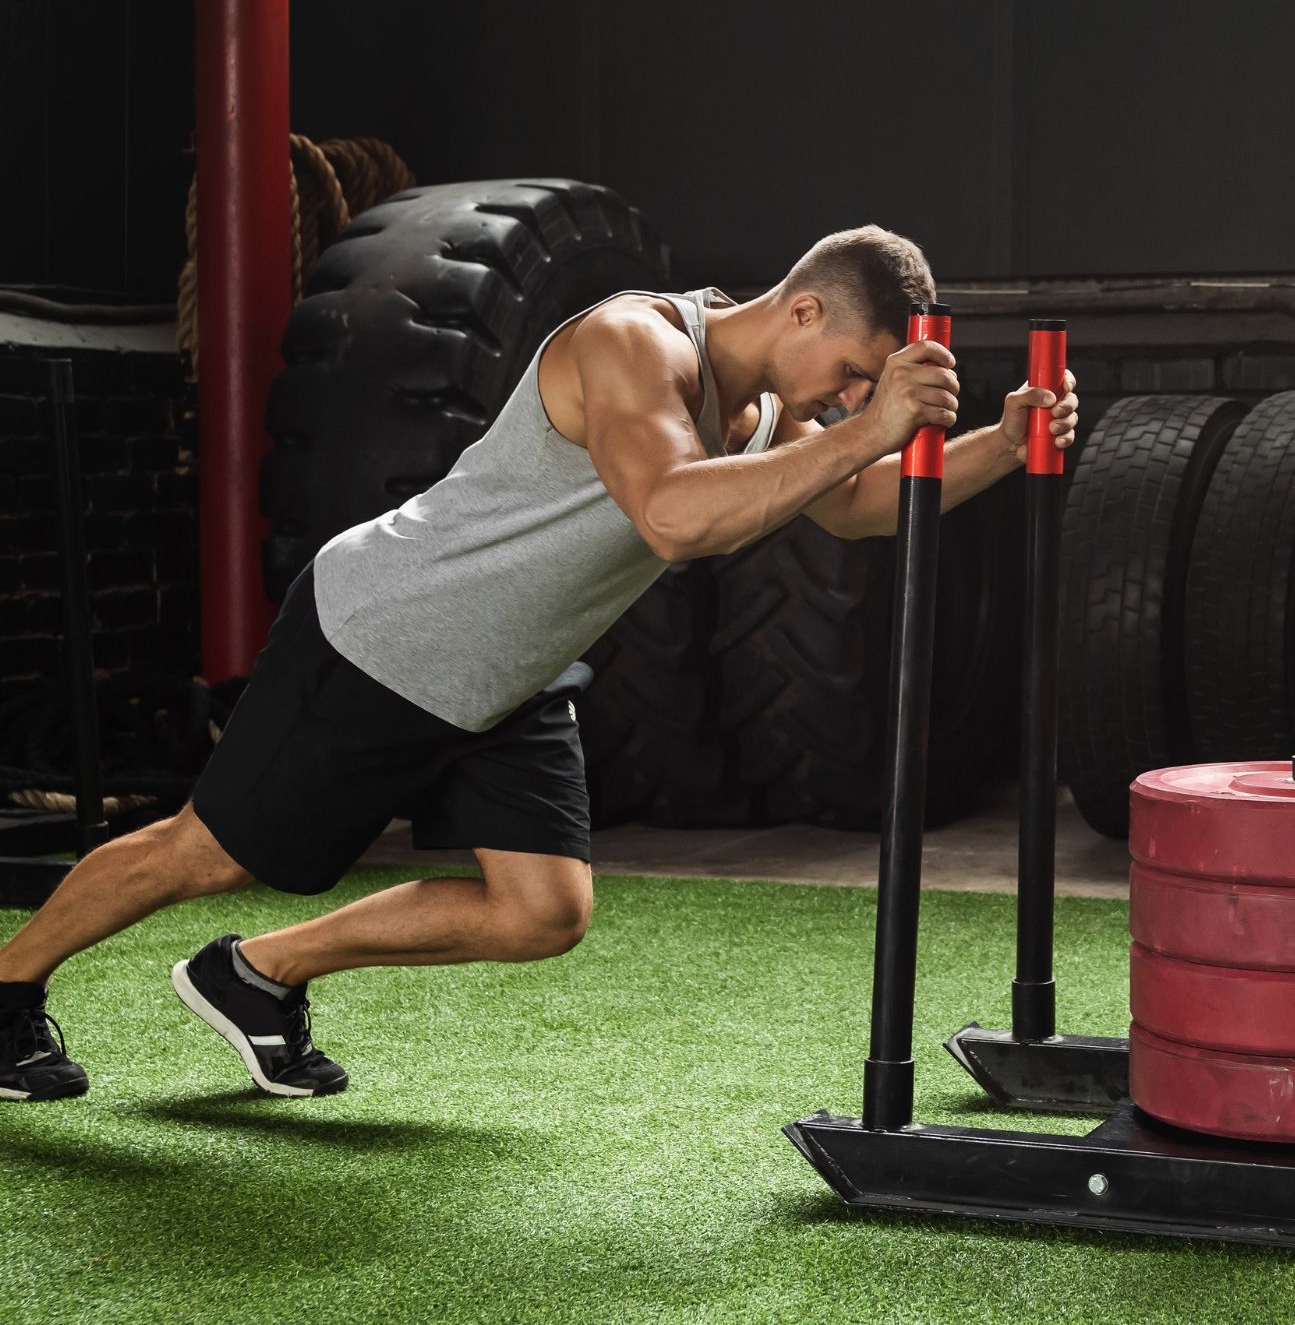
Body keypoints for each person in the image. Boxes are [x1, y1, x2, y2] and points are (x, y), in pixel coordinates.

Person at [0, 225, 1078, 1101]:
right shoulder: (634, 344)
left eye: (862, 391)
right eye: (850, 373)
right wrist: (866, 427)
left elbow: (847, 505)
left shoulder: (765, 410)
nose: (850, 402)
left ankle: (254, 974)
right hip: (389, 634)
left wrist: (1003, 440)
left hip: (513, 672)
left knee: (542, 911)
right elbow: (668, 515)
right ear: (802, 308)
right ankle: (7, 985)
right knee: (206, 853)